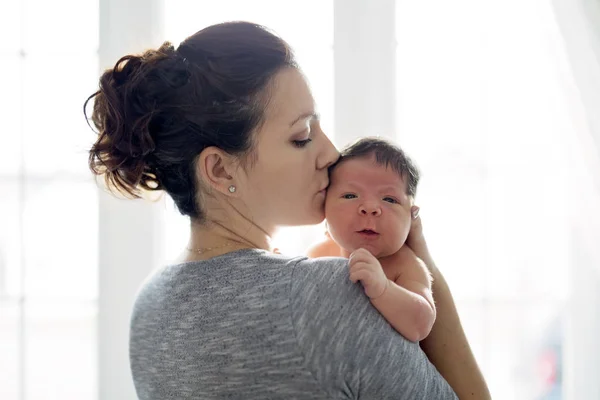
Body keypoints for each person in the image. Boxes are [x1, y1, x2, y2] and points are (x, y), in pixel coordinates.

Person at [85, 21, 489, 399]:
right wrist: (422, 263)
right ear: (220, 168)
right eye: (301, 137)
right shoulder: (327, 295)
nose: (330, 153)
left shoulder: (149, 308)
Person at [307, 137, 436, 343]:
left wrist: (384, 288)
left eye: (389, 199)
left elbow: (421, 324)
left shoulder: (404, 265)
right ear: (324, 207)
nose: (370, 207)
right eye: (350, 195)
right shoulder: (317, 254)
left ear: (411, 215)